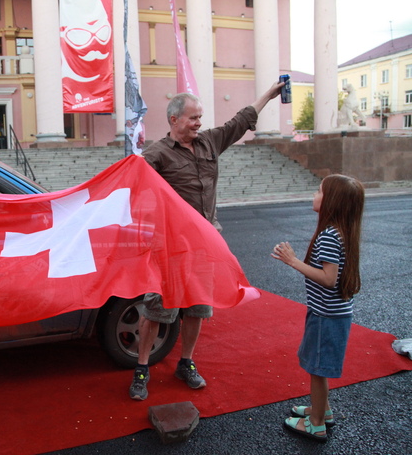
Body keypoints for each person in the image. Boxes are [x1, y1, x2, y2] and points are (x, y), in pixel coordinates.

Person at [129, 81, 284, 400]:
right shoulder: (155, 154)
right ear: (174, 120)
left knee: (198, 308)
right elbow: (132, 187)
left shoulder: (210, 141)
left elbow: (241, 120)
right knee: (157, 311)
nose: (199, 123)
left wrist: (269, 94)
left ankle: (185, 363)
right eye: (193, 118)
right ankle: (141, 369)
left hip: (205, 244)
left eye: (200, 117)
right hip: (170, 248)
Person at [271, 174, 364, 442]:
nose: (315, 195)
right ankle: (323, 410)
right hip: (333, 313)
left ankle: (316, 423)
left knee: (317, 369)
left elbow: (328, 278)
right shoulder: (342, 231)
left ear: (332, 201)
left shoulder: (329, 235)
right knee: (318, 366)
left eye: (319, 191)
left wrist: (293, 261)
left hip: (326, 315)